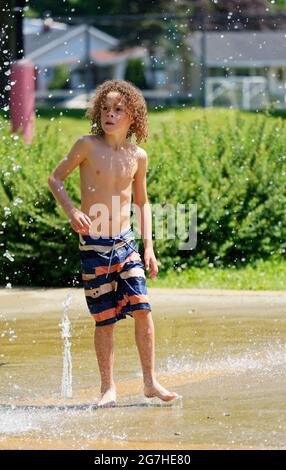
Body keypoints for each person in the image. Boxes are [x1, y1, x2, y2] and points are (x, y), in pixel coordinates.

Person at [48, 79, 179, 407]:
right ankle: (108, 387)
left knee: (143, 310)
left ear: (132, 115)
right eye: (105, 108)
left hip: (125, 242)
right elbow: (55, 178)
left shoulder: (138, 156)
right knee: (104, 318)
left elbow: (142, 203)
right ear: (97, 113)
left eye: (119, 109)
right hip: (93, 244)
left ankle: (149, 381)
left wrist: (148, 246)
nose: (110, 114)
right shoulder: (87, 146)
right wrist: (72, 210)